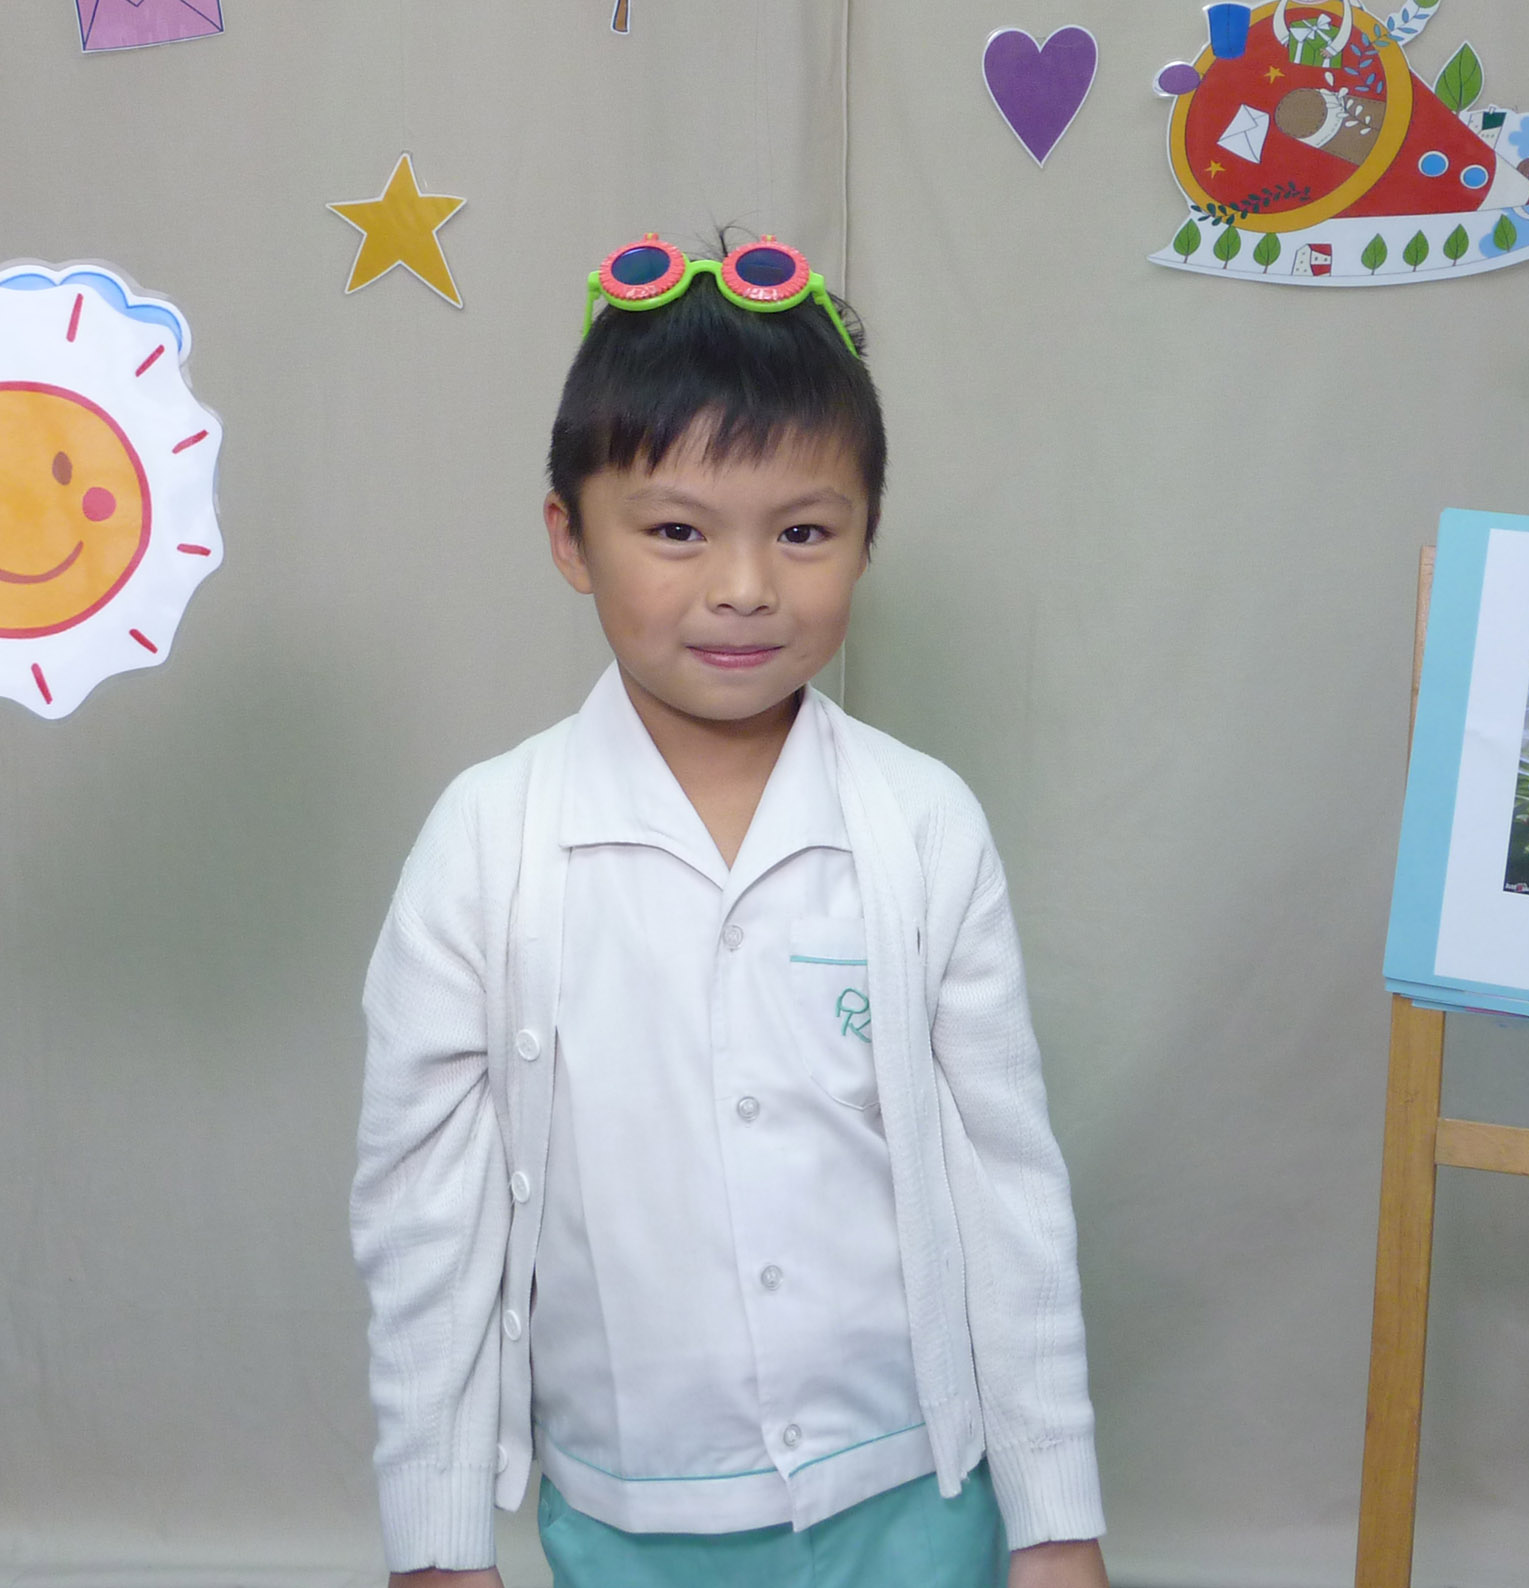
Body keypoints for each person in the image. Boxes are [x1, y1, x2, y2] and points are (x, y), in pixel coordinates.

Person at [350, 235, 1107, 1588]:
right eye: (677, 531)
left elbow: (1008, 1190)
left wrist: (1054, 1518)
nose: (746, 586)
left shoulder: (925, 824)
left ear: (868, 536)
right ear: (569, 538)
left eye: (803, 532)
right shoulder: (487, 841)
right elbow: (426, 1217)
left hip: (912, 1493)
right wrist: (437, 1537)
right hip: (628, 1513)